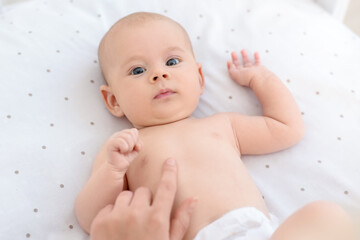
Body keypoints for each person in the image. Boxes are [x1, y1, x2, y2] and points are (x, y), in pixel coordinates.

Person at [75, 12, 356, 240]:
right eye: (138, 70)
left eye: (172, 61)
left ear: (199, 78)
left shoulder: (223, 126)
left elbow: (286, 127)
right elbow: (91, 218)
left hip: (258, 233)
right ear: (113, 101)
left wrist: (262, 79)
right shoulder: (126, 149)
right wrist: (113, 171)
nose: (159, 74)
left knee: (325, 215)